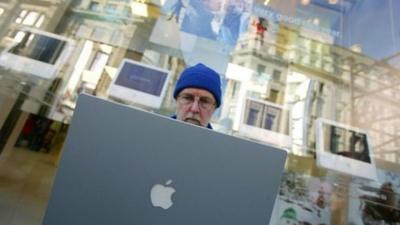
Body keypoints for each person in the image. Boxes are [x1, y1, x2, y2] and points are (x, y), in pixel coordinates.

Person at [172, 63, 222, 129]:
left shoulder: (218, 139)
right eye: (187, 98)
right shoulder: (155, 133)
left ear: (214, 108)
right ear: (176, 100)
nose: (194, 109)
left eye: (205, 101)